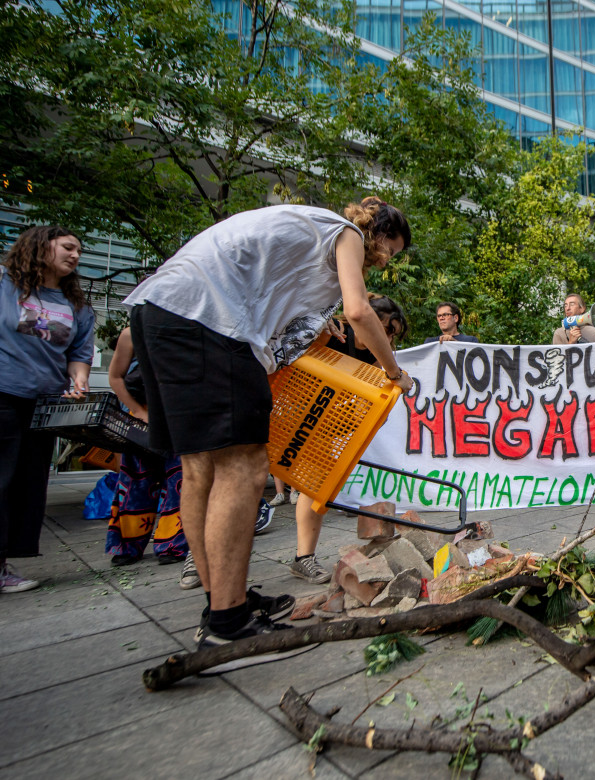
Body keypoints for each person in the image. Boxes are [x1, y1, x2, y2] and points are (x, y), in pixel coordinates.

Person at [123, 197, 413, 667]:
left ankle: (222, 601)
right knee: (243, 464)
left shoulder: (305, 227)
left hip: (161, 309)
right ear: (378, 233)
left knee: (200, 467)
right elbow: (360, 312)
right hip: (210, 322)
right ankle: (227, 623)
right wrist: (394, 370)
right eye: (390, 251)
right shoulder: (347, 234)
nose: (384, 261)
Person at [289, 295, 409, 584]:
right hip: (286, 411)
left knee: (318, 488)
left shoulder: (371, 355)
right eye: (386, 329)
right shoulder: (330, 333)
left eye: (393, 334)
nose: (388, 339)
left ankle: (303, 558)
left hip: (316, 424)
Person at [1, 226, 95, 593]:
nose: (75, 255)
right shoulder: (6, 286)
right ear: (41, 245)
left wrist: (79, 383)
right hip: (4, 394)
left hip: (44, 404)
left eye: (79, 251)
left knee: (26, 483)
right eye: (68, 247)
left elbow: (79, 355)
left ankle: (4, 563)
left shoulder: (77, 306)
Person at [105, 327, 198, 589]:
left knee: (178, 482)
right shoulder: (130, 333)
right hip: (139, 423)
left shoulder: (185, 329)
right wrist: (136, 410)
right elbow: (115, 377)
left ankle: (172, 544)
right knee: (136, 484)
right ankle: (127, 546)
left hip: (176, 420)